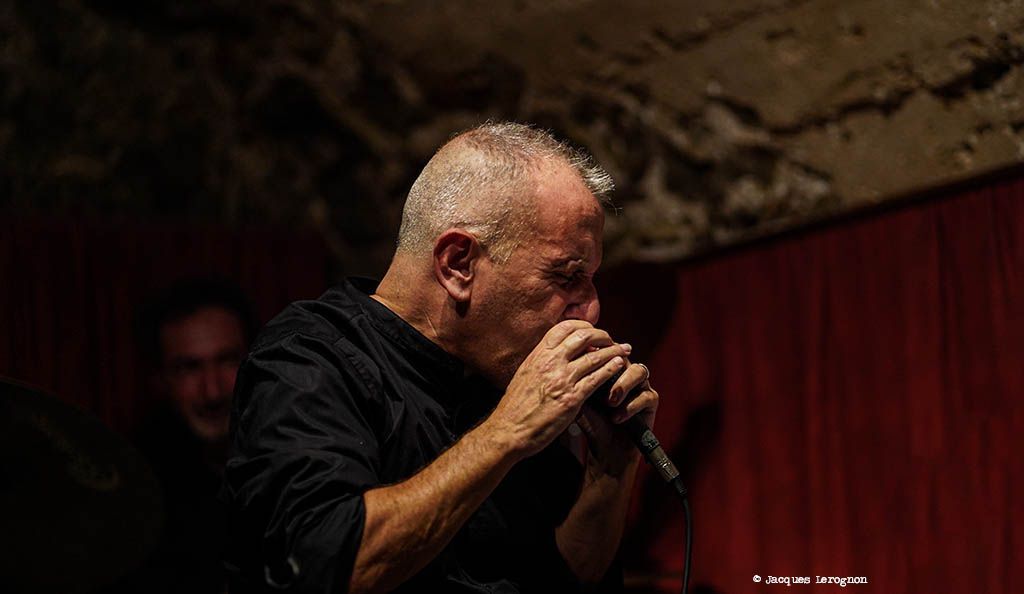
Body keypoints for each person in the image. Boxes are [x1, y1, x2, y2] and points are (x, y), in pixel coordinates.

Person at [222, 122, 659, 593]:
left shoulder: (498, 371)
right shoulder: (308, 357)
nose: (590, 310)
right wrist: (507, 432)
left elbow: (558, 577)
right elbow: (326, 564)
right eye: (567, 276)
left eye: (591, 279)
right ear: (457, 264)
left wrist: (612, 468)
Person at [131, 278, 256, 594]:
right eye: (189, 368)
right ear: (160, 379)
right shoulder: (138, 487)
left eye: (227, 361)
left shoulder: (296, 457)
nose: (212, 391)